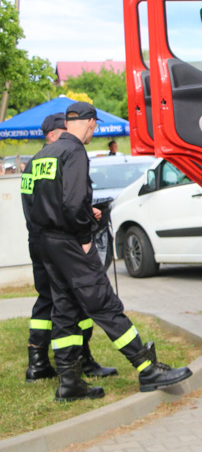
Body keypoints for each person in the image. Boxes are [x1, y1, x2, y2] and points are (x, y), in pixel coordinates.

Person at [24, 102, 192, 402]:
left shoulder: (44, 155)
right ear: (89, 122)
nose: (94, 132)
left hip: (47, 242)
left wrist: (73, 219)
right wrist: (85, 235)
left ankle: (69, 382)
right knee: (103, 303)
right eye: (95, 126)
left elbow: (43, 201)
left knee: (65, 310)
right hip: (70, 243)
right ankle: (147, 368)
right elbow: (73, 203)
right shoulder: (74, 151)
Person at [22, 113, 117, 383]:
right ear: (53, 134)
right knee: (68, 300)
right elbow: (63, 204)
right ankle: (75, 360)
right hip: (56, 240)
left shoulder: (36, 162)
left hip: (39, 238)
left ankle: (39, 361)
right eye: (63, 130)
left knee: (49, 299)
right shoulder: (58, 157)